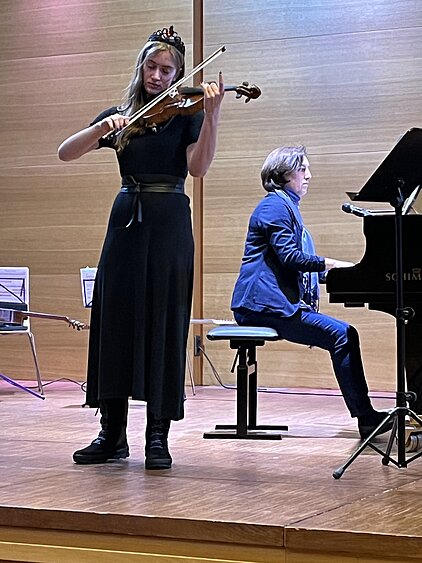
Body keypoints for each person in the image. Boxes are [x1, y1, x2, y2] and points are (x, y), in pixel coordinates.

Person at [58, 26, 225, 469]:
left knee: (165, 321)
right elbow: (65, 153)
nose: (157, 75)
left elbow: (198, 168)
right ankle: (111, 433)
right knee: (114, 319)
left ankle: (157, 436)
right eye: (151, 66)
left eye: (167, 70)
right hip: (125, 222)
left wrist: (212, 117)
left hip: (169, 222)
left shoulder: (187, 116)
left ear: (177, 76)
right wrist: (101, 128)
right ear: (141, 67)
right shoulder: (123, 116)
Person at [231, 145, 393, 440]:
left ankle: (367, 416)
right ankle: (366, 418)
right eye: (302, 169)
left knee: (345, 334)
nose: (309, 175)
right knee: (342, 335)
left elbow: (302, 267)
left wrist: (355, 275)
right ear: (283, 174)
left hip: (272, 304)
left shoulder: (286, 206)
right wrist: (333, 263)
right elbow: (290, 258)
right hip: (261, 306)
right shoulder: (274, 207)